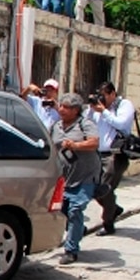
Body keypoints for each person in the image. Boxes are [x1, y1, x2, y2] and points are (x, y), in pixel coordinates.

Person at [50, 93, 100, 265]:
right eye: (61, 106)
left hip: (84, 176)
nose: (61, 109)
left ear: (76, 110)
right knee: (62, 211)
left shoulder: (85, 124)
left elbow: (94, 143)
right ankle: (78, 230)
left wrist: (75, 145)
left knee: (75, 210)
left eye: (66, 107)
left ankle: (71, 250)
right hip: (64, 178)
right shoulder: (56, 126)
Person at [86, 82, 136, 235]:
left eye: (104, 95)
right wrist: (91, 108)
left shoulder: (124, 105)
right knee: (93, 188)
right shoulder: (98, 108)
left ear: (113, 94)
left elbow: (121, 124)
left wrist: (104, 112)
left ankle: (108, 223)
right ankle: (114, 208)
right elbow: (87, 122)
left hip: (115, 154)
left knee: (105, 188)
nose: (102, 99)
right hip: (97, 154)